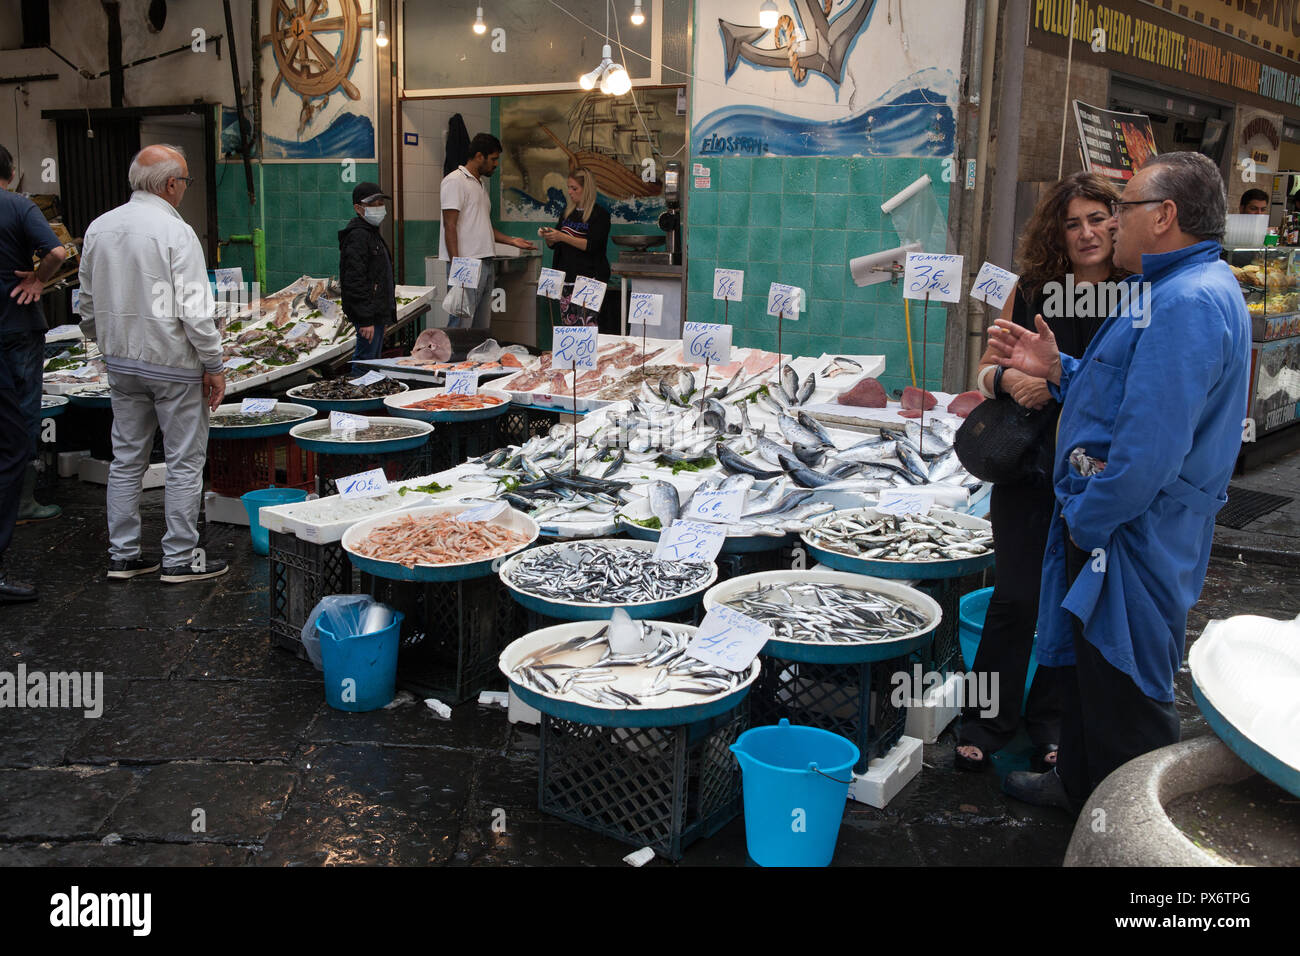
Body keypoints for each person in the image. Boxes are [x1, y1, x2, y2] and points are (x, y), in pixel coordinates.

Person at [986, 152, 1251, 812]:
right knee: (1087, 678)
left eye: (1124, 208)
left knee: (1126, 690)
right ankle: (1077, 786)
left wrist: (1086, 519)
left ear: (1163, 217)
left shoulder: (1186, 302)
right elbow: (1122, 397)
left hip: (1132, 536)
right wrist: (1059, 369)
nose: (1109, 226)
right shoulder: (1168, 289)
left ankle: (1125, 832)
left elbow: (1147, 455)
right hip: (1113, 526)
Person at [955, 172, 1123, 774]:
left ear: (1118, 220)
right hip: (1027, 467)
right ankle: (984, 718)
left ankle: (1051, 721)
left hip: (1094, 475)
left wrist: (1059, 379)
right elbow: (984, 373)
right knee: (1015, 595)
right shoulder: (1033, 289)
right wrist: (1010, 381)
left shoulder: (1140, 294)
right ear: (1058, 229)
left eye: (1099, 218)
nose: (1087, 233)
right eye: (1073, 222)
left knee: (1071, 600)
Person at [79, 144, 228, 583]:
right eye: (184, 181)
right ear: (170, 184)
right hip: (174, 367)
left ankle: (123, 556)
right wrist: (214, 362)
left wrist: (105, 339)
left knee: (126, 459)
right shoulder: (176, 232)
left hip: (121, 364)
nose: (184, 189)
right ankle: (179, 559)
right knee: (184, 461)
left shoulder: (99, 228)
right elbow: (195, 309)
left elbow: (86, 305)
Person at [0, 144, 68, 603]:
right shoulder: (18, 205)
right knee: (16, 436)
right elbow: (59, 252)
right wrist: (37, 279)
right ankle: (19, 504)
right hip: (15, 330)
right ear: (10, 171)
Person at [439, 133, 535, 329]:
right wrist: (458, 268)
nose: (496, 164)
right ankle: (456, 359)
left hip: (485, 261)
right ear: (479, 156)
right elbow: (449, 225)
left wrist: (512, 241)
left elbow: (482, 225)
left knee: (481, 325)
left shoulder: (480, 184)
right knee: (461, 324)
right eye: (493, 159)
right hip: (466, 263)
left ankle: (476, 360)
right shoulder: (454, 181)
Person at [540, 168, 611, 328]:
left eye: (574, 188)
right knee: (569, 326)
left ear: (586, 189)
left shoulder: (600, 215)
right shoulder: (567, 213)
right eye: (569, 188)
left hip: (589, 280)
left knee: (588, 327)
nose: (570, 192)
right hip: (567, 279)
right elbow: (555, 245)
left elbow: (592, 245)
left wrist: (562, 236)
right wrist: (549, 237)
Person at [339, 181, 394, 367]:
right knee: (365, 363)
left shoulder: (371, 233)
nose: (379, 209)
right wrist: (365, 320)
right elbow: (354, 280)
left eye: (380, 204)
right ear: (358, 208)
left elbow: (379, 276)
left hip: (376, 314)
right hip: (368, 315)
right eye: (372, 205)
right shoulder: (358, 236)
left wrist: (384, 316)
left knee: (373, 362)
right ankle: (357, 395)